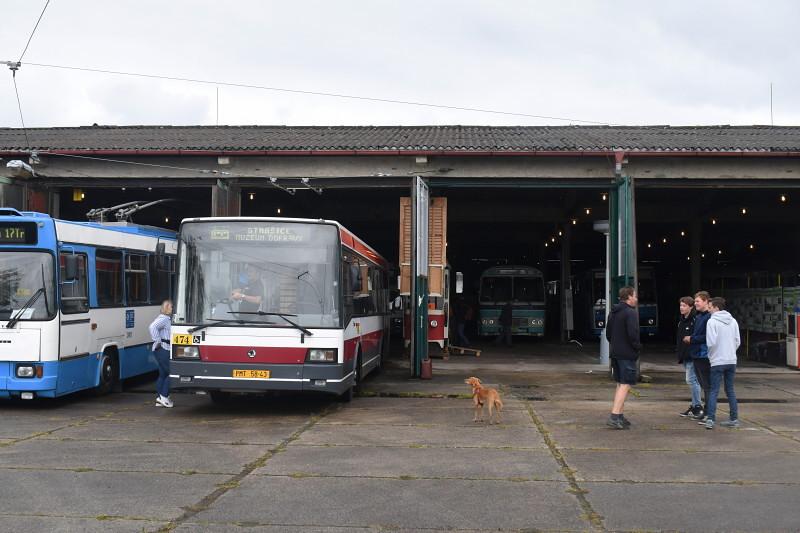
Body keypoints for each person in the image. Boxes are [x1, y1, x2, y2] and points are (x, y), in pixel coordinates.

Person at [606, 286, 641, 429]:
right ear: (629, 297)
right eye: (635, 296)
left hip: (615, 352)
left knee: (620, 383)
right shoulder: (630, 313)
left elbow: (608, 333)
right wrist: (637, 346)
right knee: (626, 384)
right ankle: (614, 416)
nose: (636, 299)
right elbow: (633, 334)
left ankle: (619, 415)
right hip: (627, 353)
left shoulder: (613, 312)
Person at [704, 297, 741, 430]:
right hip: (731, 360)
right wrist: (730, 352)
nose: (708, 309)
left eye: (710, 306)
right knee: (730, 390)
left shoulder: (711, 322)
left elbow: (711, 342)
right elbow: (738, 341)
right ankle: (734, 418)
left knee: (714, 390)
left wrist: (712, 355)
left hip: (717, 361)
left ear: (716, 308)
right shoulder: (733, 321)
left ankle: (710, 419)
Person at [683, 291, 712, 422]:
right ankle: (706, 411)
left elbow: (707, 337)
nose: (695, 304)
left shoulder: (709, 318)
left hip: (703, 355)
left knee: (707, 385)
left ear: (706, 301)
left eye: (697, 301)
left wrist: (692, 339)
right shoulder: (700, 317)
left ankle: (708, 412)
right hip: (696, 354)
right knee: (702, 384)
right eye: (695, 301)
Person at [676, 296, 702, 418]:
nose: (681, 308)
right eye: (681, 305)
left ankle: (697, 406)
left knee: (691, 380)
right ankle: (694, 405)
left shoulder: (695, 320)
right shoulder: (682, 320)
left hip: (692, 355)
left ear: (691, 307)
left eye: (684, 306)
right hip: (685, 356)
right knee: (693, 380)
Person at [149, 300, 173, 408]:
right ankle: (164, 396)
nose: (172, 309)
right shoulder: (164, 319)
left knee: (163, 374)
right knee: (172, 373)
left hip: (163, 349)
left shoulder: (165, 318)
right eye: (171, 307)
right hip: (163, 348)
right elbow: (152, 327)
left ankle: (159, 398)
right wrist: (157, 340)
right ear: (167, 308)